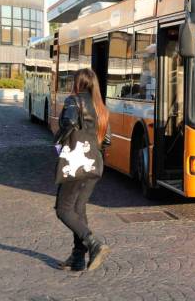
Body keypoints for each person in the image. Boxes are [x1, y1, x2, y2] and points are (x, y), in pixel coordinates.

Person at [55, 68, 112, 272]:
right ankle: (78, 258)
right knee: (78, 210)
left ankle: (93, 243)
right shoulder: (101, 107)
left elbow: (68, 122)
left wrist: (59, 140)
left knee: (63, 209)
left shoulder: (73, 101)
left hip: (76, 162)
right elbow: (107, 140)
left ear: (77, 83)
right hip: (95, 165)